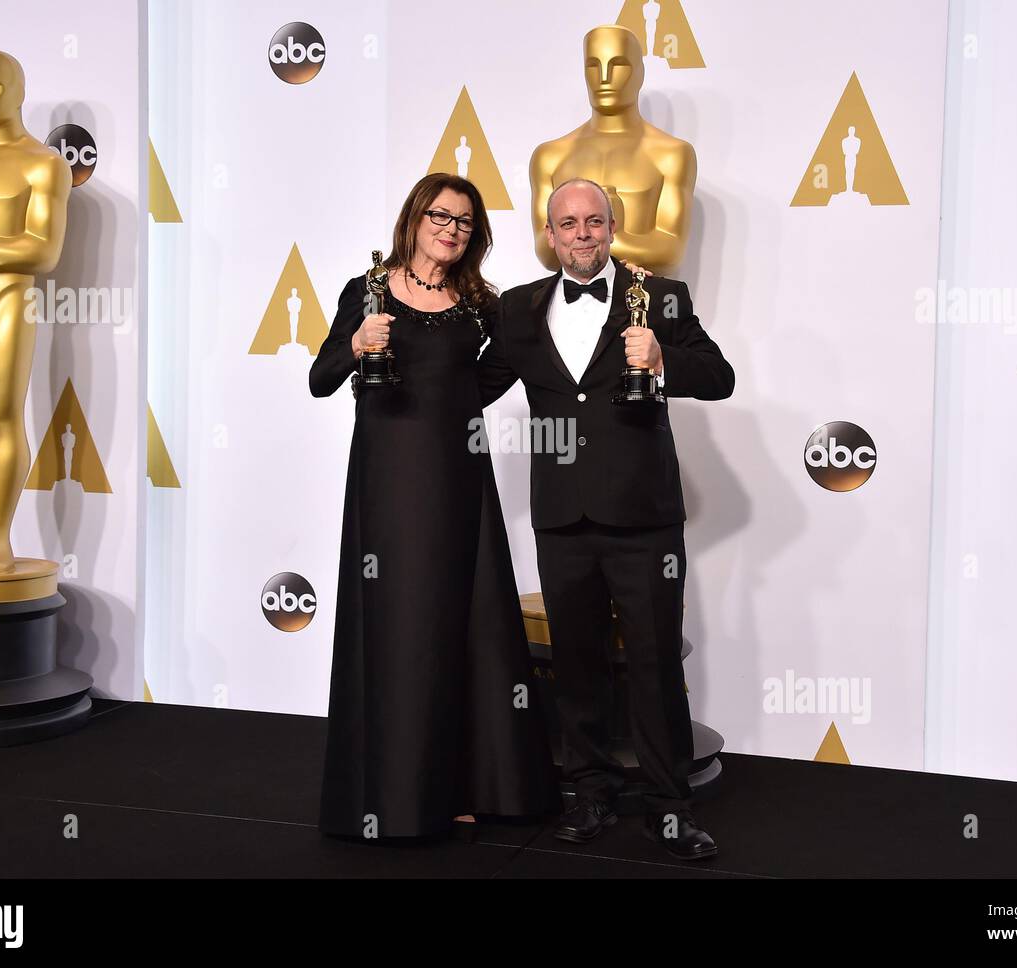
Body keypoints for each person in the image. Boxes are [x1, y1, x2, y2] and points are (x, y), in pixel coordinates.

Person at [477, 178, 734, 860]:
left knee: (652, 665)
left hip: (644, 518)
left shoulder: (661, 296)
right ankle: (588, 793)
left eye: (594, 221)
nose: (582, 232)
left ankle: (669, 807)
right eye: (568, 222)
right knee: (579, 665)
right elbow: (474, 386)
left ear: (612, 227)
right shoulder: (518, 307)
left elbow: (719, 375)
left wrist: (662, 358)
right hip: (561, 517)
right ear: (550, 233)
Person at [309, 173, 557, 839]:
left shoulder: (479, 304)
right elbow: (320, 377)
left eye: (465, 223)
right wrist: (357, 347)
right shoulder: (366, 292)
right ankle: (395, 794)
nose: (451, 229)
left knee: (467, 622)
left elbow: (489, 374)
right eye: (441, 216)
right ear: (415, 218)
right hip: (388, 483)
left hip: (459, 476)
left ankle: (469, 785)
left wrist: (454, 400)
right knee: (403, 626)